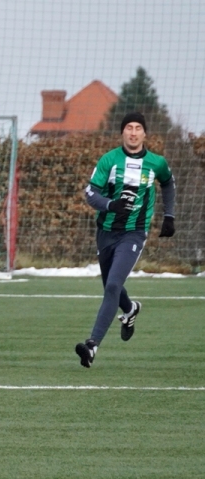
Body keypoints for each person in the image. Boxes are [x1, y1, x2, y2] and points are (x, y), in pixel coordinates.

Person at [76, 112, 176, 367]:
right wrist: (111, 204)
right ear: (122, 132)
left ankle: (92, 346)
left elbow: (168, 183)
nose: (133, 132)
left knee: (112, 286)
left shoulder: (156, 163)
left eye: (138, 128)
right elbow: (90, 193)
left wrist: (169, 215)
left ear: (145, 133)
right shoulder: (109, 160)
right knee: (111, 286)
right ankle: (130, 309)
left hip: (134, 233)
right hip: (106, 232)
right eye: (129, 127)